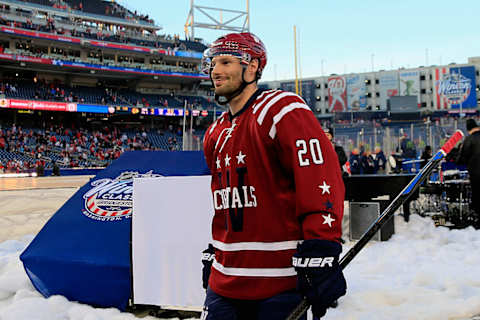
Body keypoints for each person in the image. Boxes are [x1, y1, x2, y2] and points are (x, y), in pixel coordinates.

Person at [201, 32, 347, 320]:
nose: (215, 71)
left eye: (226, 62)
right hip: (224, 279)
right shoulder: (214, 132)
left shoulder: (281, 110)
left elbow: (319, 176)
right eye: (213, 63)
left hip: (279, 281)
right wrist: (217, 247)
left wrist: (322, 242)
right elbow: (225, 200)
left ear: (253, 66)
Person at [456, 119, 480, 227]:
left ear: (468, 129)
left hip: (476, 175)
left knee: (477, 197)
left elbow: (461, 160)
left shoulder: (469, 140)